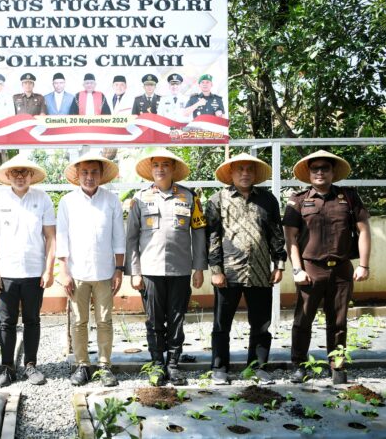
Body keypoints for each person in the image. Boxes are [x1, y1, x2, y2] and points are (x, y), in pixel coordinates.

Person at [282, 150, 371, 383]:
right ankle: (299, 365)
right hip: (311, 268)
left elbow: (363, 231)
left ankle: (337, 366)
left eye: (325, 168)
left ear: (333, 172)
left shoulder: (348, 197)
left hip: (341, 269)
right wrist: (297, 269)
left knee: (339, 321)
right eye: (315, 168)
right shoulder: (299, 199)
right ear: (309, 173)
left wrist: (363, 265)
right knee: (303, 320)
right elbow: (290, 238)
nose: (320, 172)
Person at [125, 148, 207, 386]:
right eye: (156, 165)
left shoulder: (190, 197)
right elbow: (131, 237)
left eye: (165, 165)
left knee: (177, 319)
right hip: (150, 270)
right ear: (151, 170)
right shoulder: (139, 198)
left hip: (180, 270)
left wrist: (199, 268)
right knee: (154, 319)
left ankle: (173, 364)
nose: (160, 169)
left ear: (173, 169)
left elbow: (199, 233)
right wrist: (135, 271)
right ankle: (157, 364)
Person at [205, 154, 286, 385]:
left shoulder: (268, 200)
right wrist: (216, 269)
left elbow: (276, 234)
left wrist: (279, 264)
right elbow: (212, 237)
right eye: (240, 169)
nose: (245, 173)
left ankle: (258, 367)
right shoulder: (217, 200)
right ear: (231, 173)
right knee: (222, 324)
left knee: (261, 325)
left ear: (255, 174)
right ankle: (220, 367)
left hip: (260, 272)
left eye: (249, 169)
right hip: (228, 273)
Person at [0, 154, 56, 387]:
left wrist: (49, 269)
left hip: (35, 272)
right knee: (7, 322)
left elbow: (50, 238)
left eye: (25, 172)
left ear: (32, 175)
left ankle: (31, 366)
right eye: (15, 172)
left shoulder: (42, 199)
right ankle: (7, 368)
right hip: (6, 273)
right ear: (7, 176)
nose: (20, 176)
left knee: (32, 320)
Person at [56, 154, 125, 387]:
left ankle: (105, 366)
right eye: (84, 172)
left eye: (94, 172)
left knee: (105, 320)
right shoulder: (67, 202)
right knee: (78, 321)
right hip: (77, 273)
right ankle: (82, 365)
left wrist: (119, 269)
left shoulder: (112, 201)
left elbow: (118, 238)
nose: (89, 177)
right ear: (77, 175)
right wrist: (63, 271)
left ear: (101, 175)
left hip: (105, 272)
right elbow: (62, 238)